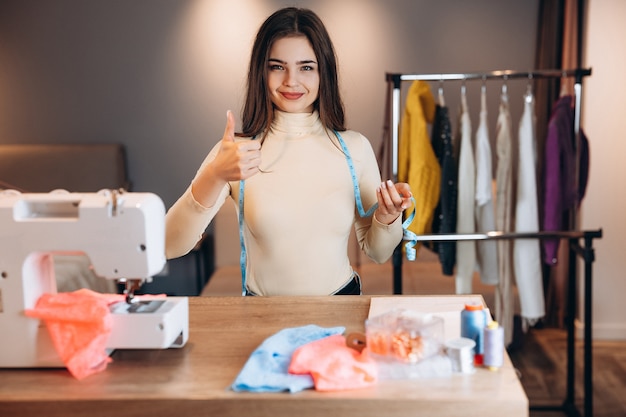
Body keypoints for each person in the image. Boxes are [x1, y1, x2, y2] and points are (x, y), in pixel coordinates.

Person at [165, 7, 413, 296]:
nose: (291, 81)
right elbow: (169, 245)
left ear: (324, 72)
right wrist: (215, 175)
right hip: (263, 319)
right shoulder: (235, 153)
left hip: (341, 309)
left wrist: (388, 217)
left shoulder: (354, 148)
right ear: (261, 71)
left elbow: (378, 253)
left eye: (306, 67)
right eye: (277, 66)